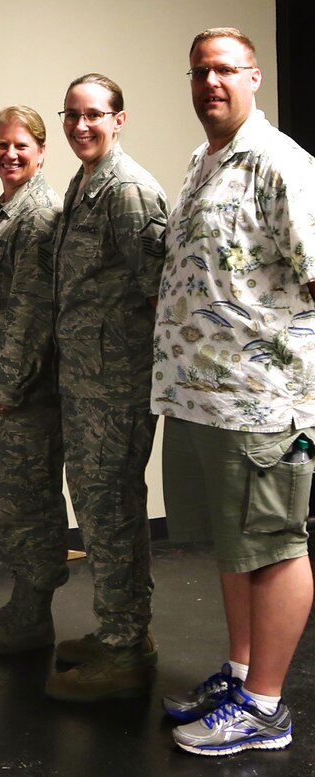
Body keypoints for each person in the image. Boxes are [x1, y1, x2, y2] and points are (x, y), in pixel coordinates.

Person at [153, 28, 315, 757]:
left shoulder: (282, 164)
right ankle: (244, 672)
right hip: (202, 396)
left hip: (261, 399)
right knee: (234, 543)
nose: (209, 82)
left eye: (224, 70)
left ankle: (268, 708)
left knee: (275, 545)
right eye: (199, 71)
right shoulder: (204, 159)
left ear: (253, 77)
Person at [42, 74, 167, 702]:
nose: (80, 126)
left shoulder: (128, 191)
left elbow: (159, 293)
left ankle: (123, 653)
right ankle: (123, 632)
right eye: (72, 115)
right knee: (100, 509)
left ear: (119, 119)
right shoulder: (86, 182)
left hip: (116, 388)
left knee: (111, 512)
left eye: (94, 115)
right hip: (86, 382)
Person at [0, 106, 68, 654]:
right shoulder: (0, 209)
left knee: (29, 499)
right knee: (3, 494)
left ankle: (35, 616)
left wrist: (7, 385)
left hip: (20, 392)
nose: (10, 154)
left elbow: (31, 314)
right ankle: (23, 603)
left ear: (43, 151)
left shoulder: (41, 214)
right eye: (1, 145)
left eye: (22, 146)